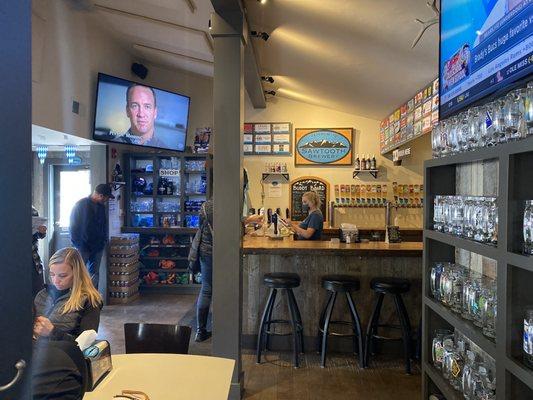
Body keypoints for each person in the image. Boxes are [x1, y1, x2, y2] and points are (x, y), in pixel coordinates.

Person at [33, 247, 103, 342]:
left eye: (62, 276)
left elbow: (86, 345)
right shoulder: (42, 295)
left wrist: (52, 332)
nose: (56, 281)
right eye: (52, 274)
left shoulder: (89, 300)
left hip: (64, 354)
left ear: (77, 274)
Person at [69, 183, 113, 288]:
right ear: (101, 196)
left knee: (94, 274)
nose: (106, 200)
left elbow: (103, 225)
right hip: (82, 246)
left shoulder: (101, 207)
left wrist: (103, 240)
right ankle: (78, 299)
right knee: (79, 273)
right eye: (106, 198)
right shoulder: (80, 205)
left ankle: (93, 299)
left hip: (98, 246)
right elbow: (73, 226)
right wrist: (78, 244)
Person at [189, 199, 214, 342]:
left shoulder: (206, 205)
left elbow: (201, 227)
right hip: (224, 251)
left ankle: (200, 331)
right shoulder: (229, 205)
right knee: (224, 291)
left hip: (205, 251)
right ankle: (224, 329)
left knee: (206, 289)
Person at [117, 83, 167, 148]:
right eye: (135, 106)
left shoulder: (167, 151)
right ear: (127, 111)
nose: (141, 114)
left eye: (147, 107)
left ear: (155, 112)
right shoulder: (111, 144)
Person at [32, 206, 47, 296]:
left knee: (38, 289)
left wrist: (42, 232)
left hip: (33, 255)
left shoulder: (33, 211)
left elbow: (39, 235)